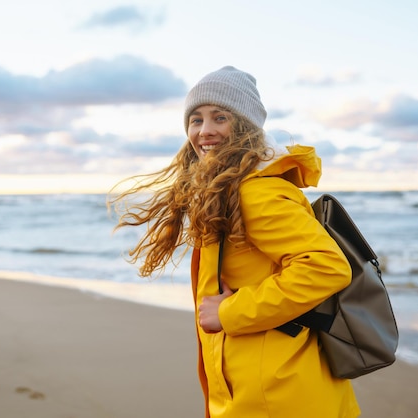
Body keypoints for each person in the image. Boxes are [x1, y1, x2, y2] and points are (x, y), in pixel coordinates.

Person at [110, 66, 360, 418]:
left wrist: (229, 312)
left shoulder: (256, 192)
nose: (205, 130)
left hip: (277, 395)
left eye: (220, 117)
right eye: (195, 120)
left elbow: (326, 267)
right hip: (265, 382)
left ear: (245, 127)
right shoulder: (227, 190)